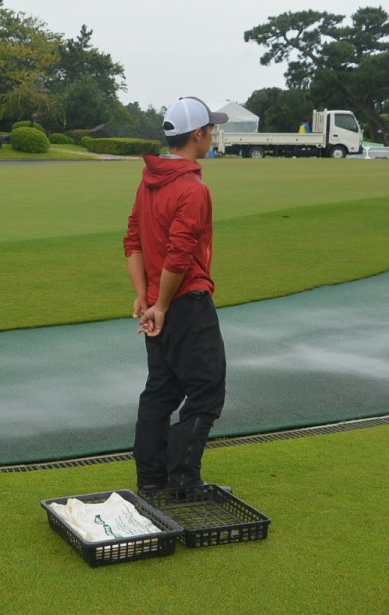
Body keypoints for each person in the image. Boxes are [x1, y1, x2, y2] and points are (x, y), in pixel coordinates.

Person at [123, 96, 229, 494]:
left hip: (159, 303)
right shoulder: (192, 188)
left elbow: (132, 240)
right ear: (198, 134)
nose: (213, 134)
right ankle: (183, 481)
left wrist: (145, 299)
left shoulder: (150, 180)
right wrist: (161, 305)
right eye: (211, 129)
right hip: (185, 304)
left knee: (161, 391)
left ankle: (151, 481)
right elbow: (180, 256)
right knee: (206, 391)